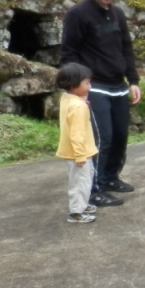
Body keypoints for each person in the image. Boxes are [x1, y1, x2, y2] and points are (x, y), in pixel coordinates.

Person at [59, 0, 142, 208]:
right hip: (94, 86)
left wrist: (133, 80)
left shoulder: (117, 14)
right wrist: (76, 89)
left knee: (119, 136)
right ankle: (94, 189)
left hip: (119, 85)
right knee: (101, 138)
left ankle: (110, 178)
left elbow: (126, 49)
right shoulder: (77, 14)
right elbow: (68, 54)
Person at [55, 62, 98, 225]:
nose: (90, 86)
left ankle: (82, 205)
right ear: (74, 85)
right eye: (86, 83)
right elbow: (77, 133)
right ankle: (76, 213)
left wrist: (81, 100)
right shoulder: (78, 106)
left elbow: (72, 106)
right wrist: (80, 155)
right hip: (78, 153)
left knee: (84, 180)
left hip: (76, 152)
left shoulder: (68, 99)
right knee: (81, 182)